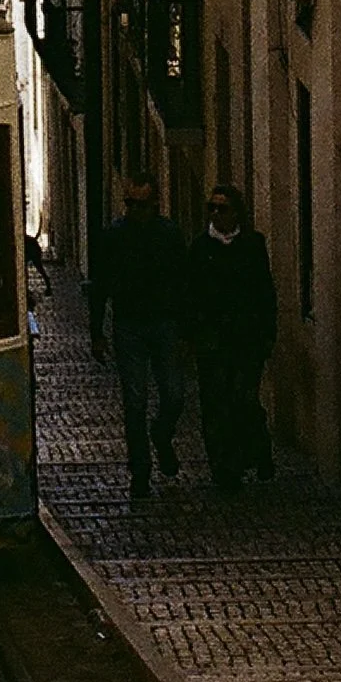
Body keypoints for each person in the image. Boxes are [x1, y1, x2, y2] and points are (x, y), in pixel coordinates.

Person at [88, 169, 188, 505]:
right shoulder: (114, 237)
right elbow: (99, 285)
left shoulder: (170, 235)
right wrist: (96, 332)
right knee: (135, 402)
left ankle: (161, 434)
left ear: (155, 204)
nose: (136, 211)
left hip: (165, 323)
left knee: (174, 394)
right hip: (129, 326)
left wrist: (185, 328)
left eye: (142, 204)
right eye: (130, 203)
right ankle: (141, 472)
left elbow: (183, 281)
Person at [187, 182, 278, 489]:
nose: (215, 214)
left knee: (243, 399)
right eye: (211, 208)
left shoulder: (252, 245)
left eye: (222, 208)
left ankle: (257, 448)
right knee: (214, 404)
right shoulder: (199, 249)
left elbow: (265, 292)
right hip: (212, 342)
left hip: (245, 340)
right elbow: (190, 294)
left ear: (237, 212)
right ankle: (224, 468)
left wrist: (267, 333)